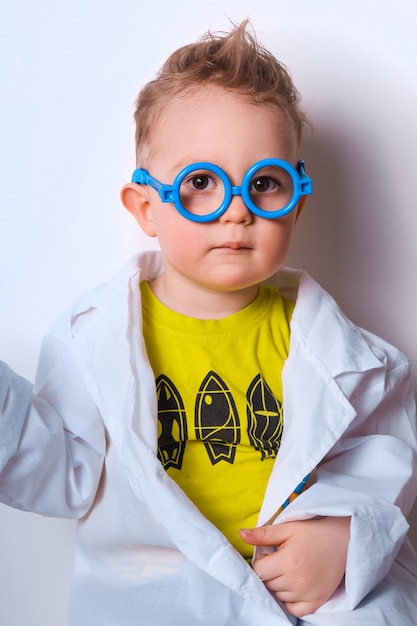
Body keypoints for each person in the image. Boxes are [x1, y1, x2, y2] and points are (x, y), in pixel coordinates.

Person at [1, 21, 417, 626]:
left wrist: (346, 539)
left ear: (296, 203)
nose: (238, 210)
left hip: (301, 596)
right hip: (159, 589)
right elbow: (61, 472)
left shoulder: (341, 352)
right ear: (146, 207)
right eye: (201, 183)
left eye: (265, 184)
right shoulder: (92, 338)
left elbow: (384, 464)